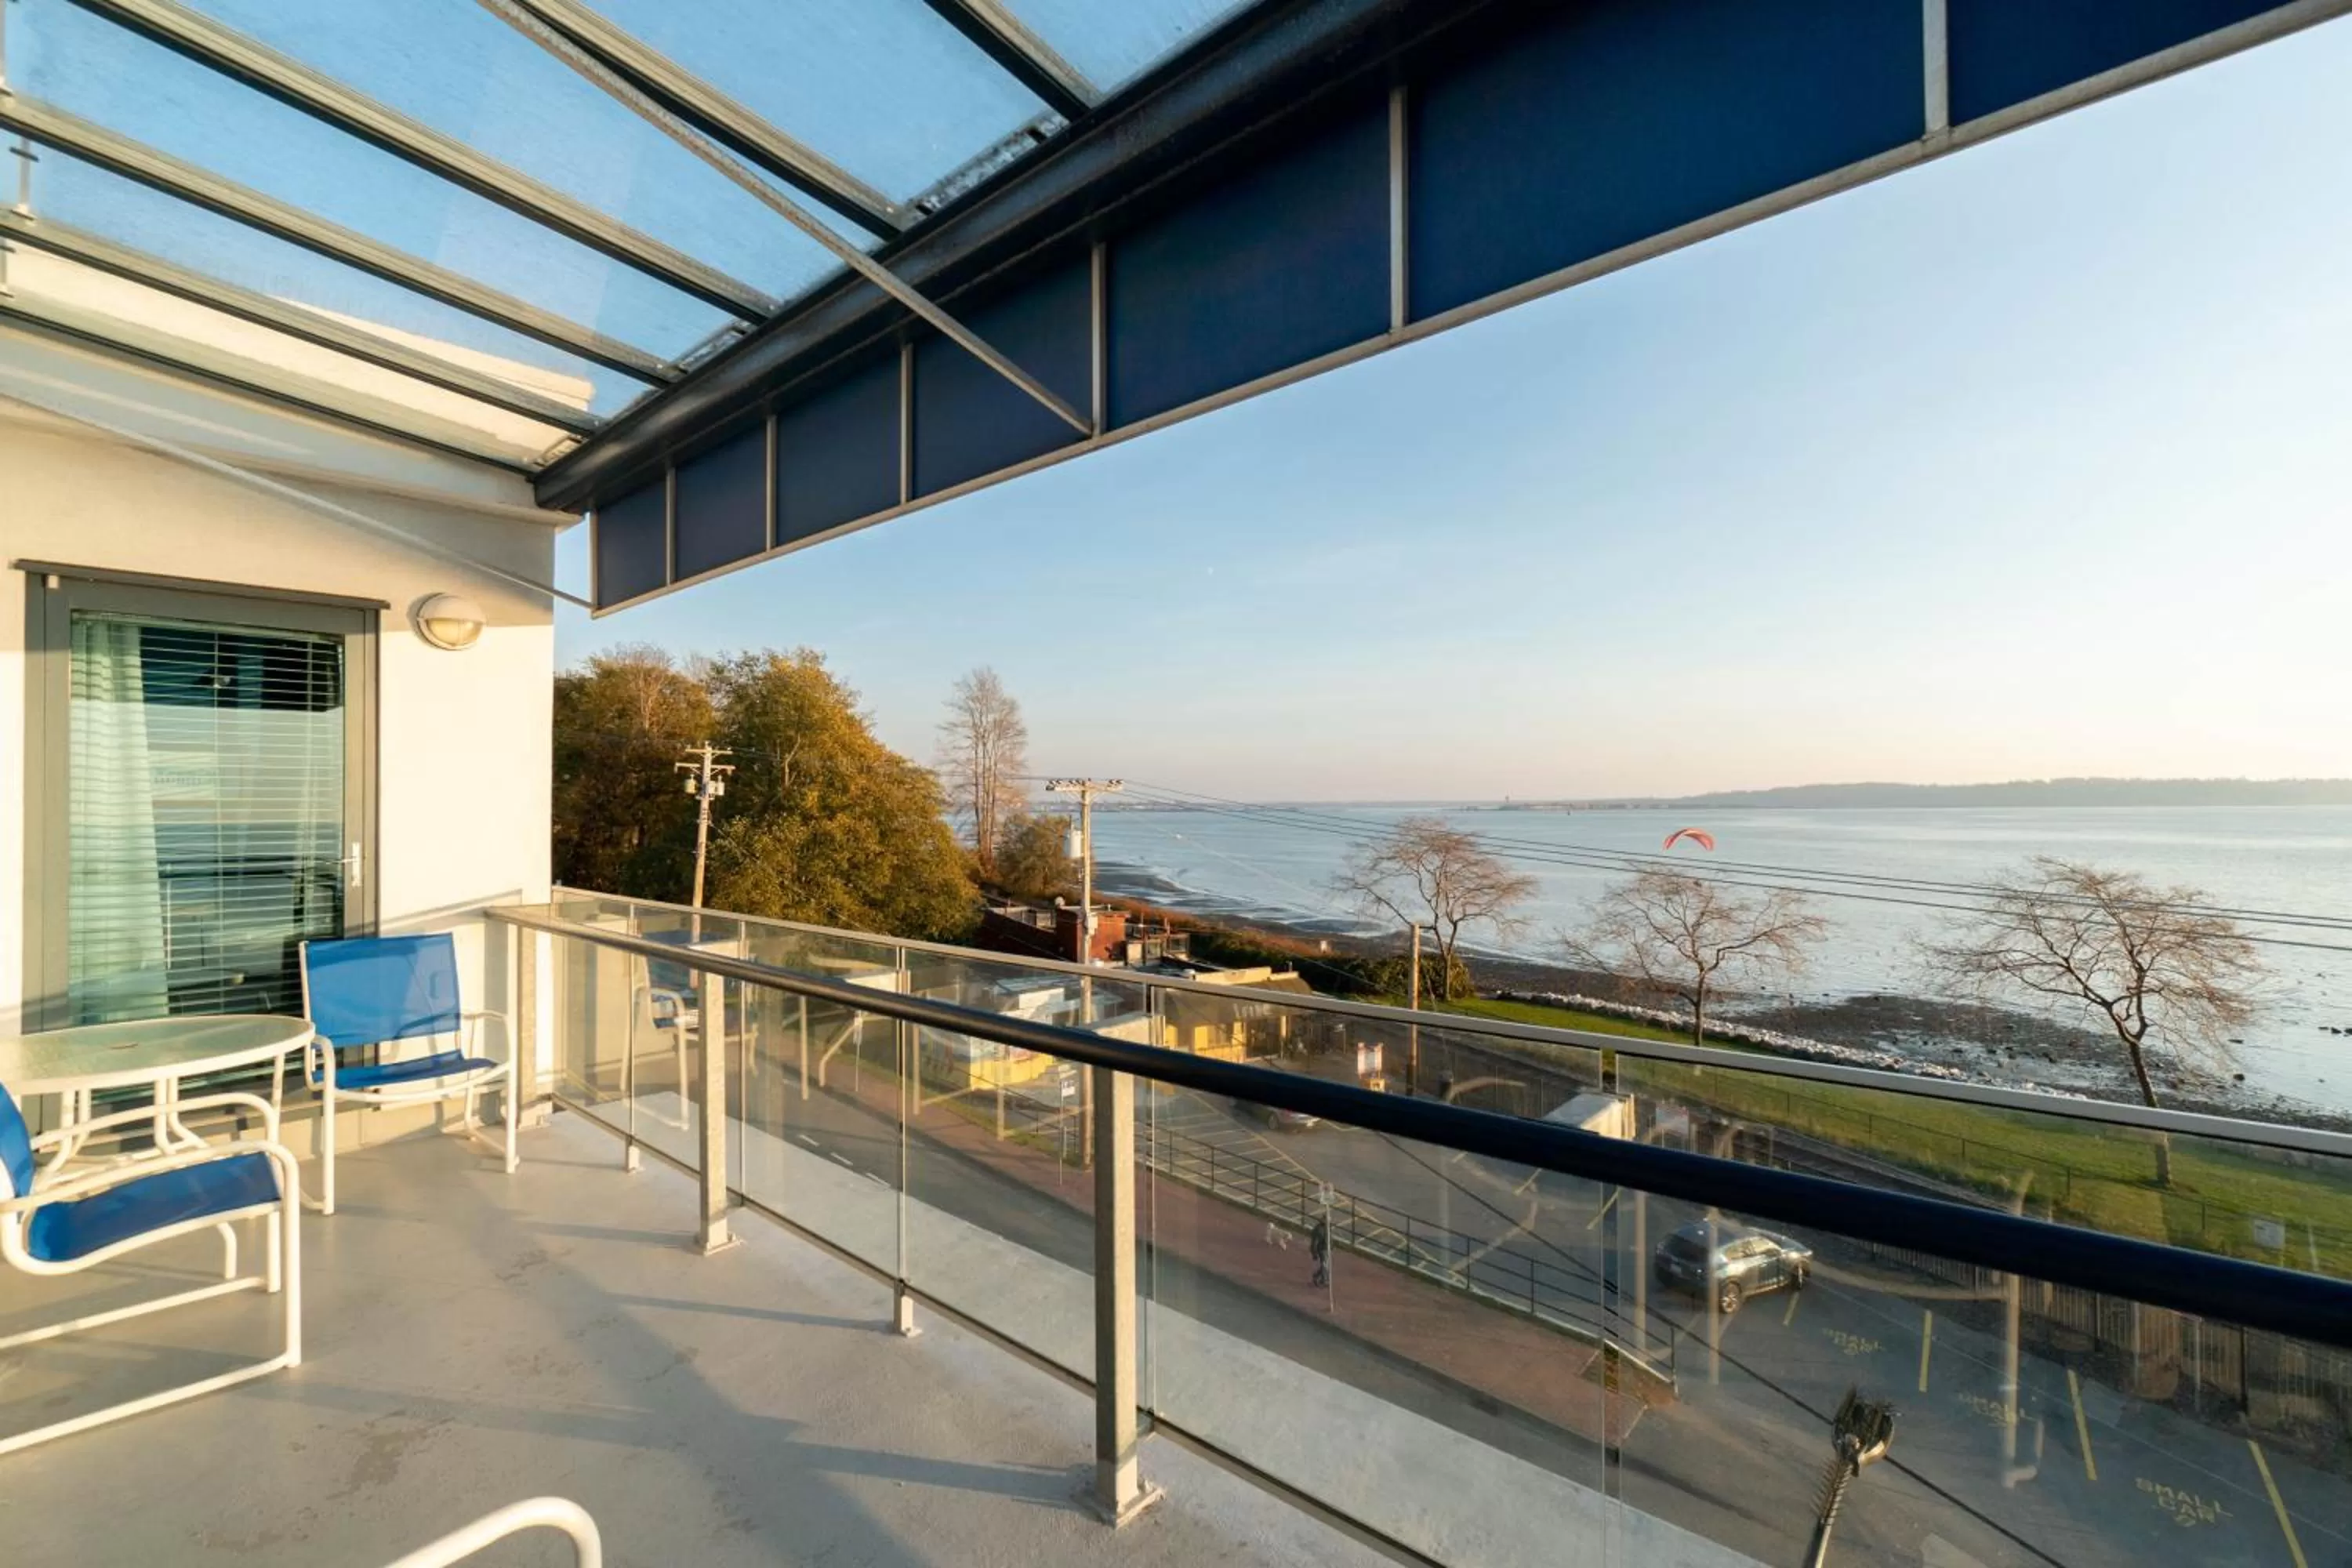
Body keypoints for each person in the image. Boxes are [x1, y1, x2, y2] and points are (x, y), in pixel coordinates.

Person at [1309, 1215, 1331, 1289]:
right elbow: (1315, 1243)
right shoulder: (1319, 1230)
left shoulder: (1326, 1228)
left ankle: (1318, 1276)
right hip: (1322, 1250)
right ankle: (1324, 1280)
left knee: (1325, 1265)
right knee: (1325, 1265)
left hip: (1326, 1249)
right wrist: (1314, 1253)